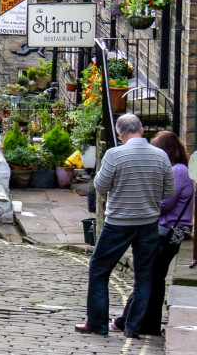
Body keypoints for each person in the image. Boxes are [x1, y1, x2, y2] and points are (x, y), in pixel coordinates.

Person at [76, 114, 174, 338]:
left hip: (118, 223)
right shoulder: (161, 156)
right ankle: (133, 328)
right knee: (144, 276)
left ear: (120, 134)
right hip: (149, 223)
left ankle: (97, 324)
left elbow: (100, 186)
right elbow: (170, 191)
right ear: (141, 129)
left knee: (99, 270)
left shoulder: (115, 154)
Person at [113, 131, 193, 336]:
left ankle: (126, 321)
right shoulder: (180, 170)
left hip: (168, 231)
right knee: (155, 277)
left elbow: (165, 204)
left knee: (147, 275)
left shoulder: (179, 172)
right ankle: (147, 324)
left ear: (167, 151)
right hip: (174, 230)